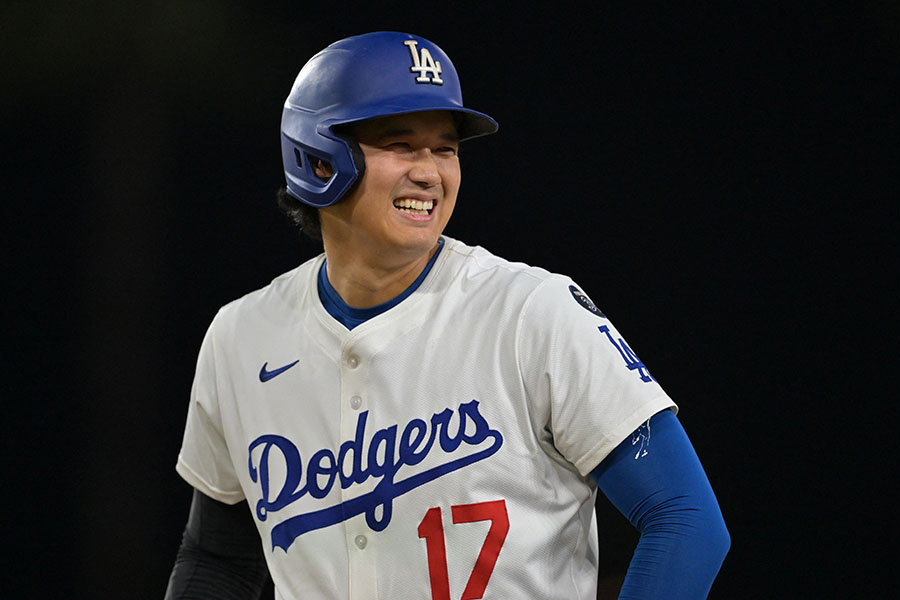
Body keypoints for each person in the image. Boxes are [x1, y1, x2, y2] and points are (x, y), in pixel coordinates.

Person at [165, 31, 730, 600]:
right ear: (317, 159)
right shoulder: (242, 338)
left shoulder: (532, 312)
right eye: (400, 144)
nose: (430, 172)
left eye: (446, 148)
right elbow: (217, 558)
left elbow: (686, 521)